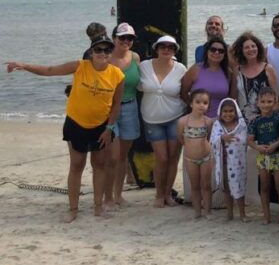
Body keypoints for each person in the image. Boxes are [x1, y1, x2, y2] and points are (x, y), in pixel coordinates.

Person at [6, 35, 124, 222]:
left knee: (99, 165)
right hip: (76, 123)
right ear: (91, 52)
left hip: (101, 126)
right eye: (99, 49)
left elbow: (117, 104)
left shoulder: (117, 74)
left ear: (111, 52)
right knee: (77, 165)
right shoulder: (80, 66)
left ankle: (98, 207)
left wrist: (109, 127)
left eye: (107, 50)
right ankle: (73, 209)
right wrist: (24, 65)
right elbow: (50, 70)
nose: (103, 53)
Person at [139, 35, 187, 208]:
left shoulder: (181, 69)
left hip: (175, 117)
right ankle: (159, 194)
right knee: (162, 158)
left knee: (173, 158)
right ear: (156, 48)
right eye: (163, 46)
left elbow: (187, 91)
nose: (166, 49)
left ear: (175, 51)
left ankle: (168, 194)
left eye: (171, 47)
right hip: (152, 119)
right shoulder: (144, 66)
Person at [103, 22, 141, 209]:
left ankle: (118, 195)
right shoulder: (106, 59)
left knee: (123, 157)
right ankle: (107, 197)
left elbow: (142, 83)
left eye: (130, 38)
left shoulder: (135, 57)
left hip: (130, 108)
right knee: (112, 156)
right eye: (122, 37)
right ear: (114, 39)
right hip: (109, 111)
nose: (126, 41)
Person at [248, 87, 279, 225]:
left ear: (275, 102)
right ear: (257, 103)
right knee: (264, 186)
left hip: (278, 155)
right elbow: (250, 139)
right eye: (263, 101)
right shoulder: (255, 121)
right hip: (262, 157)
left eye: (269, 101)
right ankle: (266, 216)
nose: (266, 104)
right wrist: (257, 147)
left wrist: (275, 145)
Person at [176, 89, 215, 219]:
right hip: (190, 158)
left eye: (205, 102)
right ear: (191, 103)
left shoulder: (208, 121)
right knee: (195, 185)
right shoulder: (183, 121)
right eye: (198, 102)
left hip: (206, 157)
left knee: (206, 184)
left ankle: (208, 211)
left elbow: (209, 138)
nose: (201, 105)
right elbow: (181, 138)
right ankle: (197, 211)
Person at [211, 98, 248, 222]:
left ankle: (242, 213)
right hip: (223, 162)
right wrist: (222, 138)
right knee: (227, 187)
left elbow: (244, 140)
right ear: (220, 112)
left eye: (231, 111)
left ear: (236, 111)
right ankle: (229, 213)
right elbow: (212, 141)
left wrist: (233, 140)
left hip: (238, 164)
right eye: (225, 111)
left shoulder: (242, 125)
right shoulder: (217, 125)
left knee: (239, 186)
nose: (228, 114)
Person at [181, 37, 237, 118]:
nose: (217, 52)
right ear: (207, 51)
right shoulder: (195, 69)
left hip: (220, 120)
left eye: (221, 51)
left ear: (224, 55)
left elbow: (232, 98)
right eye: (213, 49)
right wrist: (193, 107)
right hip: (198, 119)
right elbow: (183, 93)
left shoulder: (228, 72)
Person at [233, 32, 278, 123]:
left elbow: (275, 96)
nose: (251, 49)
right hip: (244, 120)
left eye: (253, 46)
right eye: (246, 47)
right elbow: (234, 97)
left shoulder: (268, 69)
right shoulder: (237, 70)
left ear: (258, 48)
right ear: (241, 51)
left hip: (266, 119)